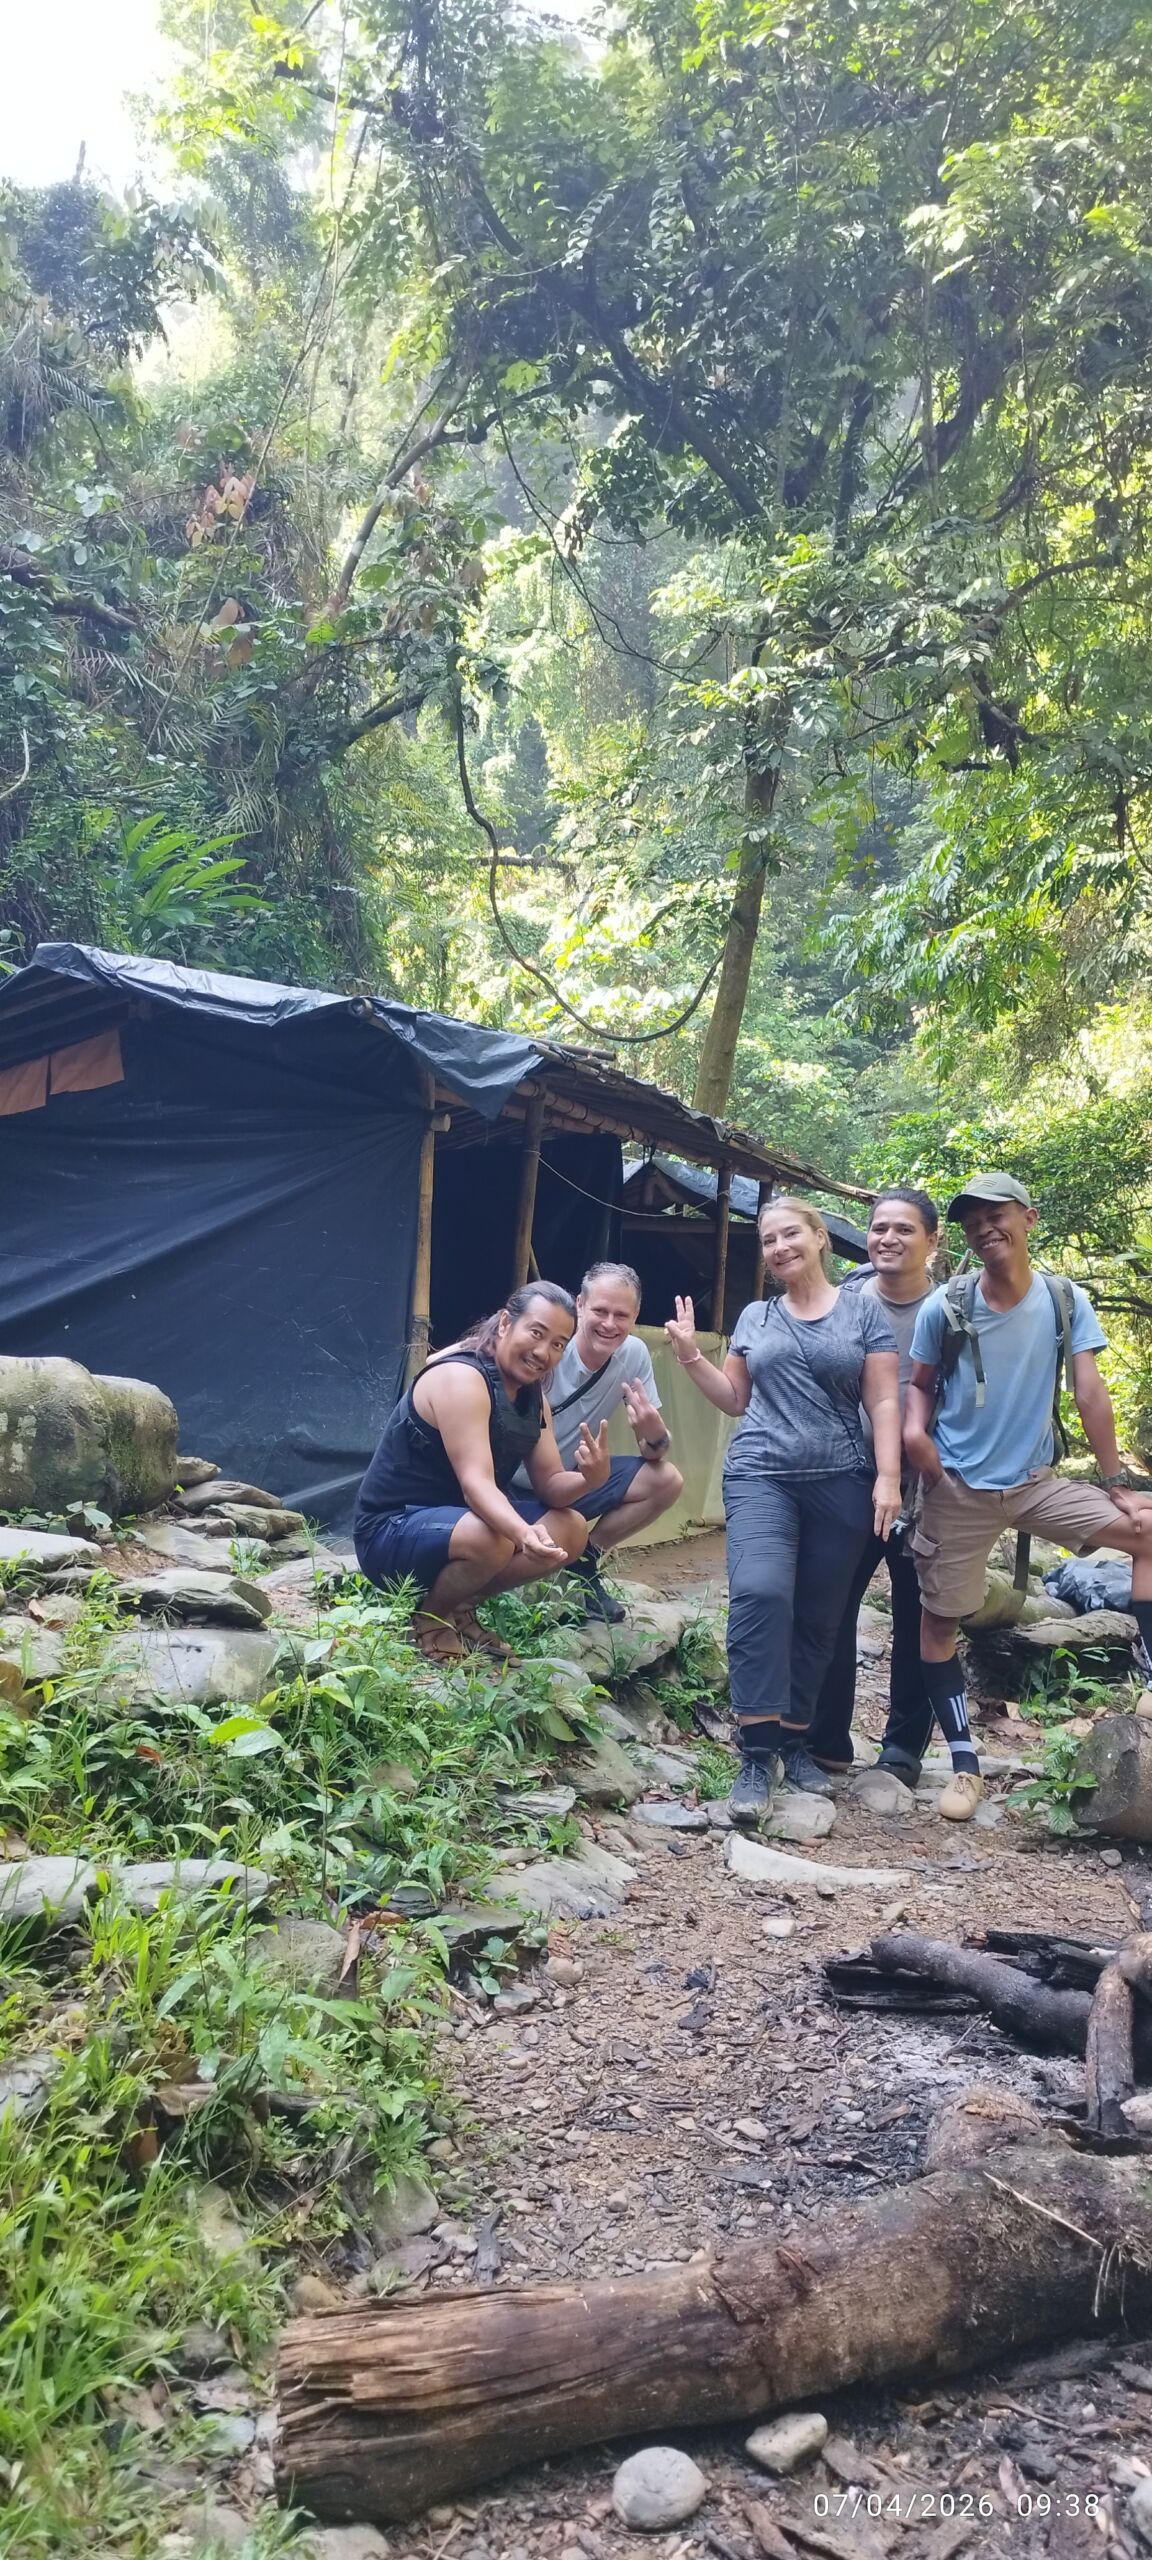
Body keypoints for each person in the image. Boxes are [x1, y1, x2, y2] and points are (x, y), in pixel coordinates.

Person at [904, 1171, 1152, 1822]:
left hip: (1038, 1485)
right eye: (971, 1219)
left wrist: (1117, 1481)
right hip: (956, 1487)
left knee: (1147, 1533)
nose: (985, 1226)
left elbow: (1090, 1391)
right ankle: (964, 1766)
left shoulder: (1065, 1301)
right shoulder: (946, 1306)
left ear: (1029, 1219)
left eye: (997, 1213)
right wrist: (911, 1432)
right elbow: (920, 1385)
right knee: (938, 1622)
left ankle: (1150, 1683)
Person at [666, 1196, 902, 1821]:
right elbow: (734, 1399)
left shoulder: (862, 1314)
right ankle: (756, 1752)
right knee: (761, 1595)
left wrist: (887, 1478)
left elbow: (883, 1403)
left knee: (820, 1618)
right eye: (768, 1240)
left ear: (820, 1237)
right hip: (760, 1474)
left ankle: (794, 1743)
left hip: (842, 1480)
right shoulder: (755, 1316)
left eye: (789, 1234)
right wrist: (691, 1355)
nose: (778, 1248)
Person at [354, 1281, 610, 1662]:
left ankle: (459, 1603)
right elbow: (476, 1485)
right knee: (496, 1538)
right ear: (506, 1323)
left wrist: (592, 1477)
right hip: (391, 1531)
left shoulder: (531, 1396)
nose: (544, 1352)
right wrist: (523, 1533)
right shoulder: (462, 1378)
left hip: (461, 1528)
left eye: (558, 1344)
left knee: (571, 1529)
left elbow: (552, 1485)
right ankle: (431, 1617)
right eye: (536, 1333)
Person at [809, 1189, 940, 1780]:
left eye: (905, 1229)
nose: (888, 1238)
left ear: (932, 1243)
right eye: (879, 1227)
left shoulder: (950, 1313)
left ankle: (904, 1748)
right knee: (830, 1605)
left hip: (927, 1489)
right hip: (848, 1478)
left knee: (919, 1613)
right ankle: (827, 1737)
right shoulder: (843, 1302)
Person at [514, 1260, 684, 1621]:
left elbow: (654, 1450)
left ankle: (585, 1561)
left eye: (621, 1315)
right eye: (600, 1311)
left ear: (635, 1316)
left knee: (666, 1480)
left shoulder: (634, 1355)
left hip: (571, 1483)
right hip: (510, 1484)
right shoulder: (549, 1351)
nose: (609, 1324)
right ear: (579, 1305)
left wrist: (654, 1433)